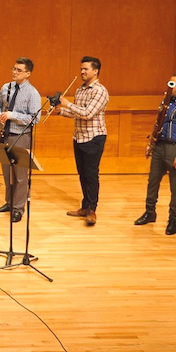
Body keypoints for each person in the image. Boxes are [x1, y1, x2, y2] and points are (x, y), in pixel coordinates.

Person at [134, 73, 176, 235]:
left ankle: (173, 219)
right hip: (160, 146)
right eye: (170, 83)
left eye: (175, 85)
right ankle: (150, 212)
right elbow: (158, 123)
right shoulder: (166, 102)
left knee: (175, 186)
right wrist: (151, 144)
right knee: (153, 180)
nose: (171, 87)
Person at [57, 56, 109, 227]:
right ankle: (85, 206)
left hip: (94, 137)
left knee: (91, 174)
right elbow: (77, 114)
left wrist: (67, 103)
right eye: (81, 69)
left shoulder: (100, 91)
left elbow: (87, 113)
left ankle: (92, 210)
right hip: (79, 137)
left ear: (95, 71)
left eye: (86, 69)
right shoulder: (80, 90)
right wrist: (61, 111)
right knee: (82, 173)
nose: (82, 72)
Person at [0, 58, 42, 223]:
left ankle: (18, 208)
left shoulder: (32, 93)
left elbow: (35, 118)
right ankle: (10, 202)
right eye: (14, 69)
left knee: (20, 175)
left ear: (28, 73)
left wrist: (13, 115)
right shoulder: (6, 87)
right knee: (7, 173)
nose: (14, 72)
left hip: (21, 136)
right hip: (5, 134)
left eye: (19, 70)